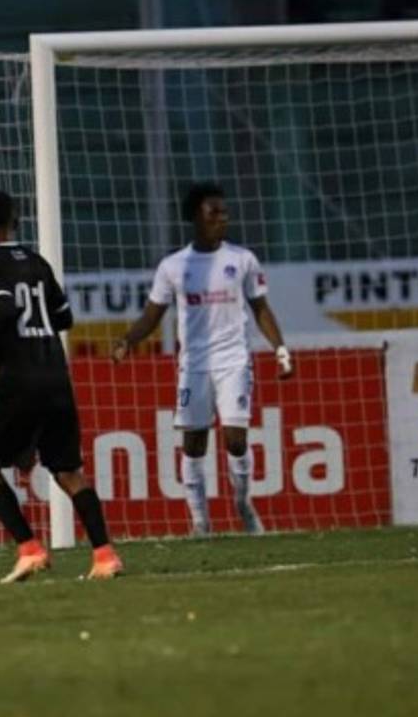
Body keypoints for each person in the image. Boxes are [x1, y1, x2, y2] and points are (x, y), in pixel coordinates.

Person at [113, 182, 293, 536]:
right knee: (194, 442)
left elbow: (260, 309)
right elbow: (153, 315)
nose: (222, 219)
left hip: (233, 360)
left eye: (224, 213)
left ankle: (243, 504)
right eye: (214, 213)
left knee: (236, 437)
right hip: (193, 364)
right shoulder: (173, 266)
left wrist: (281, 350)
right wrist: (128, 340)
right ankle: (200, 522)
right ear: (196, 217)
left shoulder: (242, 260)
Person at [0, 190, 123, 584]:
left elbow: (2, 310)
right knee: (68, 470)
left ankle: (30, 549)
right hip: (56, 376)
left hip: (19, 378)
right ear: (15, 219)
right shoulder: (38, 262)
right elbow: (65, 317)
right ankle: (104, 555)